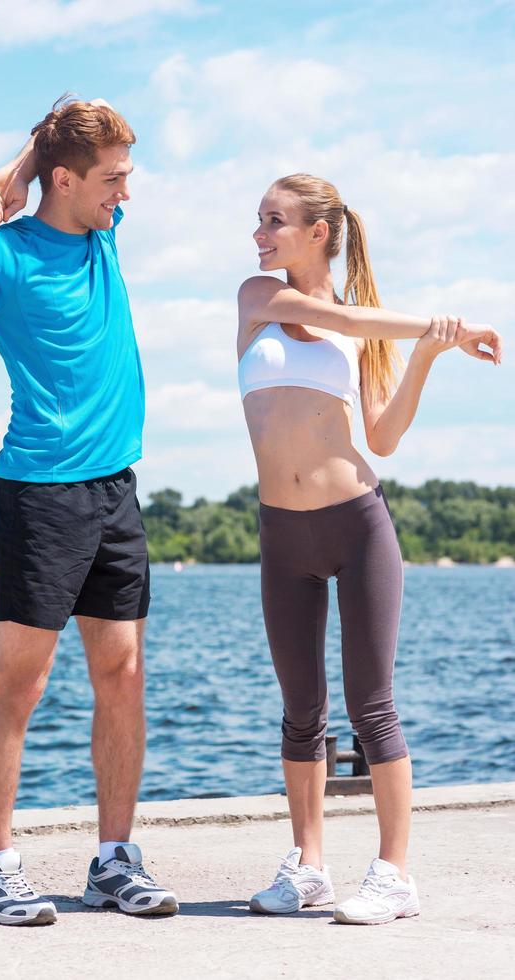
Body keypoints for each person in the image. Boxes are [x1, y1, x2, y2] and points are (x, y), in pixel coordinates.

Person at [0, 96, 178, 925]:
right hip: (40, 495)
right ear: (67, 180)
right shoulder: (0, 256)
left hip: (115, 489)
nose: (124, 193)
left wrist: (30, 154)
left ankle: (114, 860)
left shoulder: (102, 232)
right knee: (20, 684)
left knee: (122, 674)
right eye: (113, 178)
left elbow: (49, 148)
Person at [237, 173, 502, 925]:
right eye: (259, 220)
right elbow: (334, 318)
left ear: (318, 231)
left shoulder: (365, 330)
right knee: (300, 711)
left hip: (357, 524)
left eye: (275, 220)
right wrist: (429, 325)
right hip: (281, 531)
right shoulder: (256, 300)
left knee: (371, 707)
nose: (260, 233)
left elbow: (381, 437)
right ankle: (309, 868)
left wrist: (429, 352)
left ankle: (393, 875)